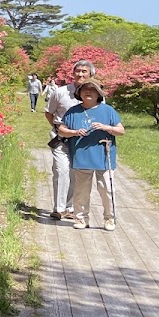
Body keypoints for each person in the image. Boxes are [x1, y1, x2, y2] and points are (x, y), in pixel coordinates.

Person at [57, 78, 124, 230]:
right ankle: (81, 219)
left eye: (92, 90)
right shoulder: (73, 111)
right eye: (84, 89)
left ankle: (109, 219)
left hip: (103, 156)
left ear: (98, 94)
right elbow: (61, 129)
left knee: (107, 188)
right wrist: (74, 132)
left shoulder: (108, 110)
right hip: (82, 155)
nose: (88, 92)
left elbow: (121, 130)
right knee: (81, 191)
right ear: (79, 93)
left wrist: (106, 127)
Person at [44, 60, 96, 221]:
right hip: (61, 140)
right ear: (72, 74)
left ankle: (70, 207)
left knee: (76, 173)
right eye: (77, 71)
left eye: (84, 71)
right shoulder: (60, 92)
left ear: (91, 74)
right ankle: (58, 209)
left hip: (83, 142)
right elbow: (49, 113)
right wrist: (60, 130)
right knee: (61, 171)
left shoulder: (96, 94)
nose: (80, 74)